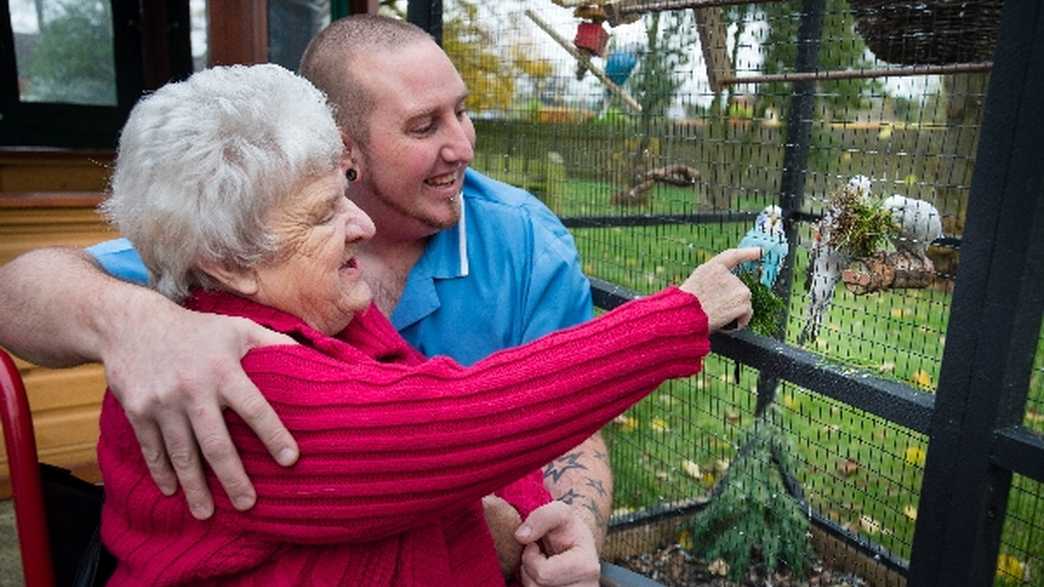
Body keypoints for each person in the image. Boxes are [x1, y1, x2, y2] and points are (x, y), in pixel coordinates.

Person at [0, 13, 753, 580]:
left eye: (462, 111)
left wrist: (556, 525)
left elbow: (524, 430)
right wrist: (129, 319)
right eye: (425, 125)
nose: (462, 143)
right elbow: (446, 422)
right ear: (346, 150)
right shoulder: (231, 355)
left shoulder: (512, 240)